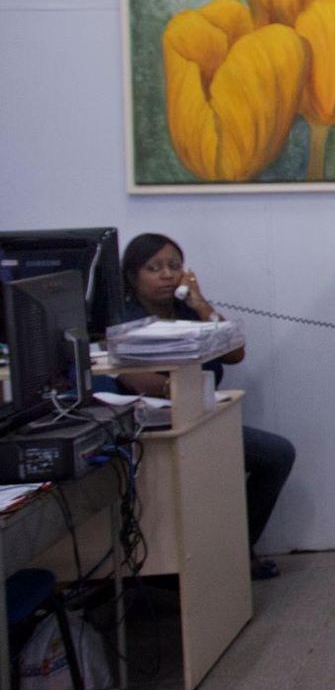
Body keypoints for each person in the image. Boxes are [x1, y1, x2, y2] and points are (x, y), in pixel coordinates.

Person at [115, 232, 295, 581]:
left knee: (277, 455)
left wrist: (199, 303)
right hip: (156, 428)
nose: (167, 275)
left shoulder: (188, 310)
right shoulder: (125, 321)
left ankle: (238, 548)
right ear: (132, 276)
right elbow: (133, 378)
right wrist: (180, 389)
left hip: (203, 417)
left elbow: (234, 352)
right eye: (154, 268)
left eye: (175, 266)